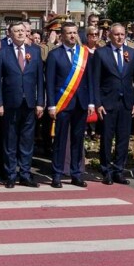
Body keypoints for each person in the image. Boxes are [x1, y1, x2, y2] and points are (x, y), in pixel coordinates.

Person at [0, 22, 44, 188]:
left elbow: (39, 81)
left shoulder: (35, 52)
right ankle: (10, 174)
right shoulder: (2, 53)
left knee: (27, 141)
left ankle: (25, 174)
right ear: (10, 34)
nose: (20, 33)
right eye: (16, 31)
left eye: (22, 30)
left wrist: (40, 103)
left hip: (29, 103)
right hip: (10, 103)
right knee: (10, 140)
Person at [45, 21, 95, 189]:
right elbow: (50, 83)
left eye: (75, 32)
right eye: (69, 33)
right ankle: (57, 174)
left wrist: (91, 102)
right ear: (62, 35)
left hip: (81, 103)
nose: (72, 36)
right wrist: (51, 105)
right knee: (60, 141)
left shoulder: (85, 54)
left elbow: (90, 80)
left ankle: (76, 174)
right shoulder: (54, 55)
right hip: (62, 104)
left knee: (77, 140)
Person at [93, 23, 134, 185]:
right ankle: (106, 170)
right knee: (107, 138)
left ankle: (119, 170)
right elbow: (95, 81)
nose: (120, 37)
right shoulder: (101, 53)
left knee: (123, 139)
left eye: (122, 34)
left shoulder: (132, 53)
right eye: (116, 35)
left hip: (126, 103)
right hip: (107, 102)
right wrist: (97, 103)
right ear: (110, 36)